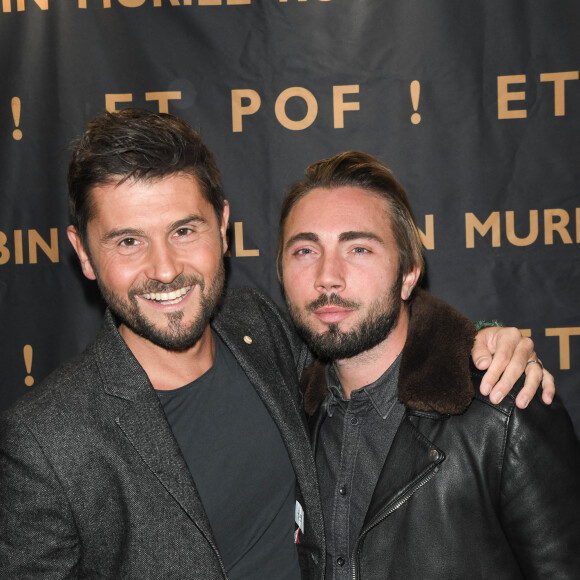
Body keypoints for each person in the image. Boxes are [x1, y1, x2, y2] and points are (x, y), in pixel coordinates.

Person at [0, 110, 550, 579]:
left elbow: (362, 312)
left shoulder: (258, 326)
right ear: (83, 252)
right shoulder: (47, 440)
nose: (164, 269)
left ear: (222, 226)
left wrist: (480, 342)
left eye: (184, 231)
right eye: (128, 241)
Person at [276, 150, 580, 579]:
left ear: (408, 274)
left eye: (358, 248)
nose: (328, 276)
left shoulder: (502, 411)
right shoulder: (282, 415)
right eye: (305, 250)